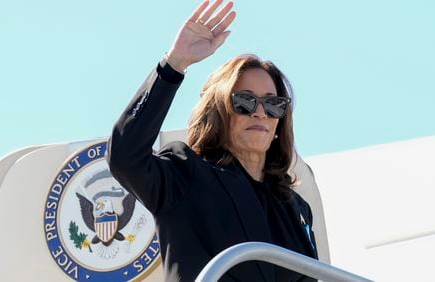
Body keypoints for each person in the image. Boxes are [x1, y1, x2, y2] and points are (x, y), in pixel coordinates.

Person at [107, 0, 319, 281]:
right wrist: (175, 63)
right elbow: (125, 158)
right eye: (245, 101)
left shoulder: (295, 208)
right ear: (220, 112)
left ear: (280, 121)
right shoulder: (184, 175)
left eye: (273, 104)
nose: (259, 112)